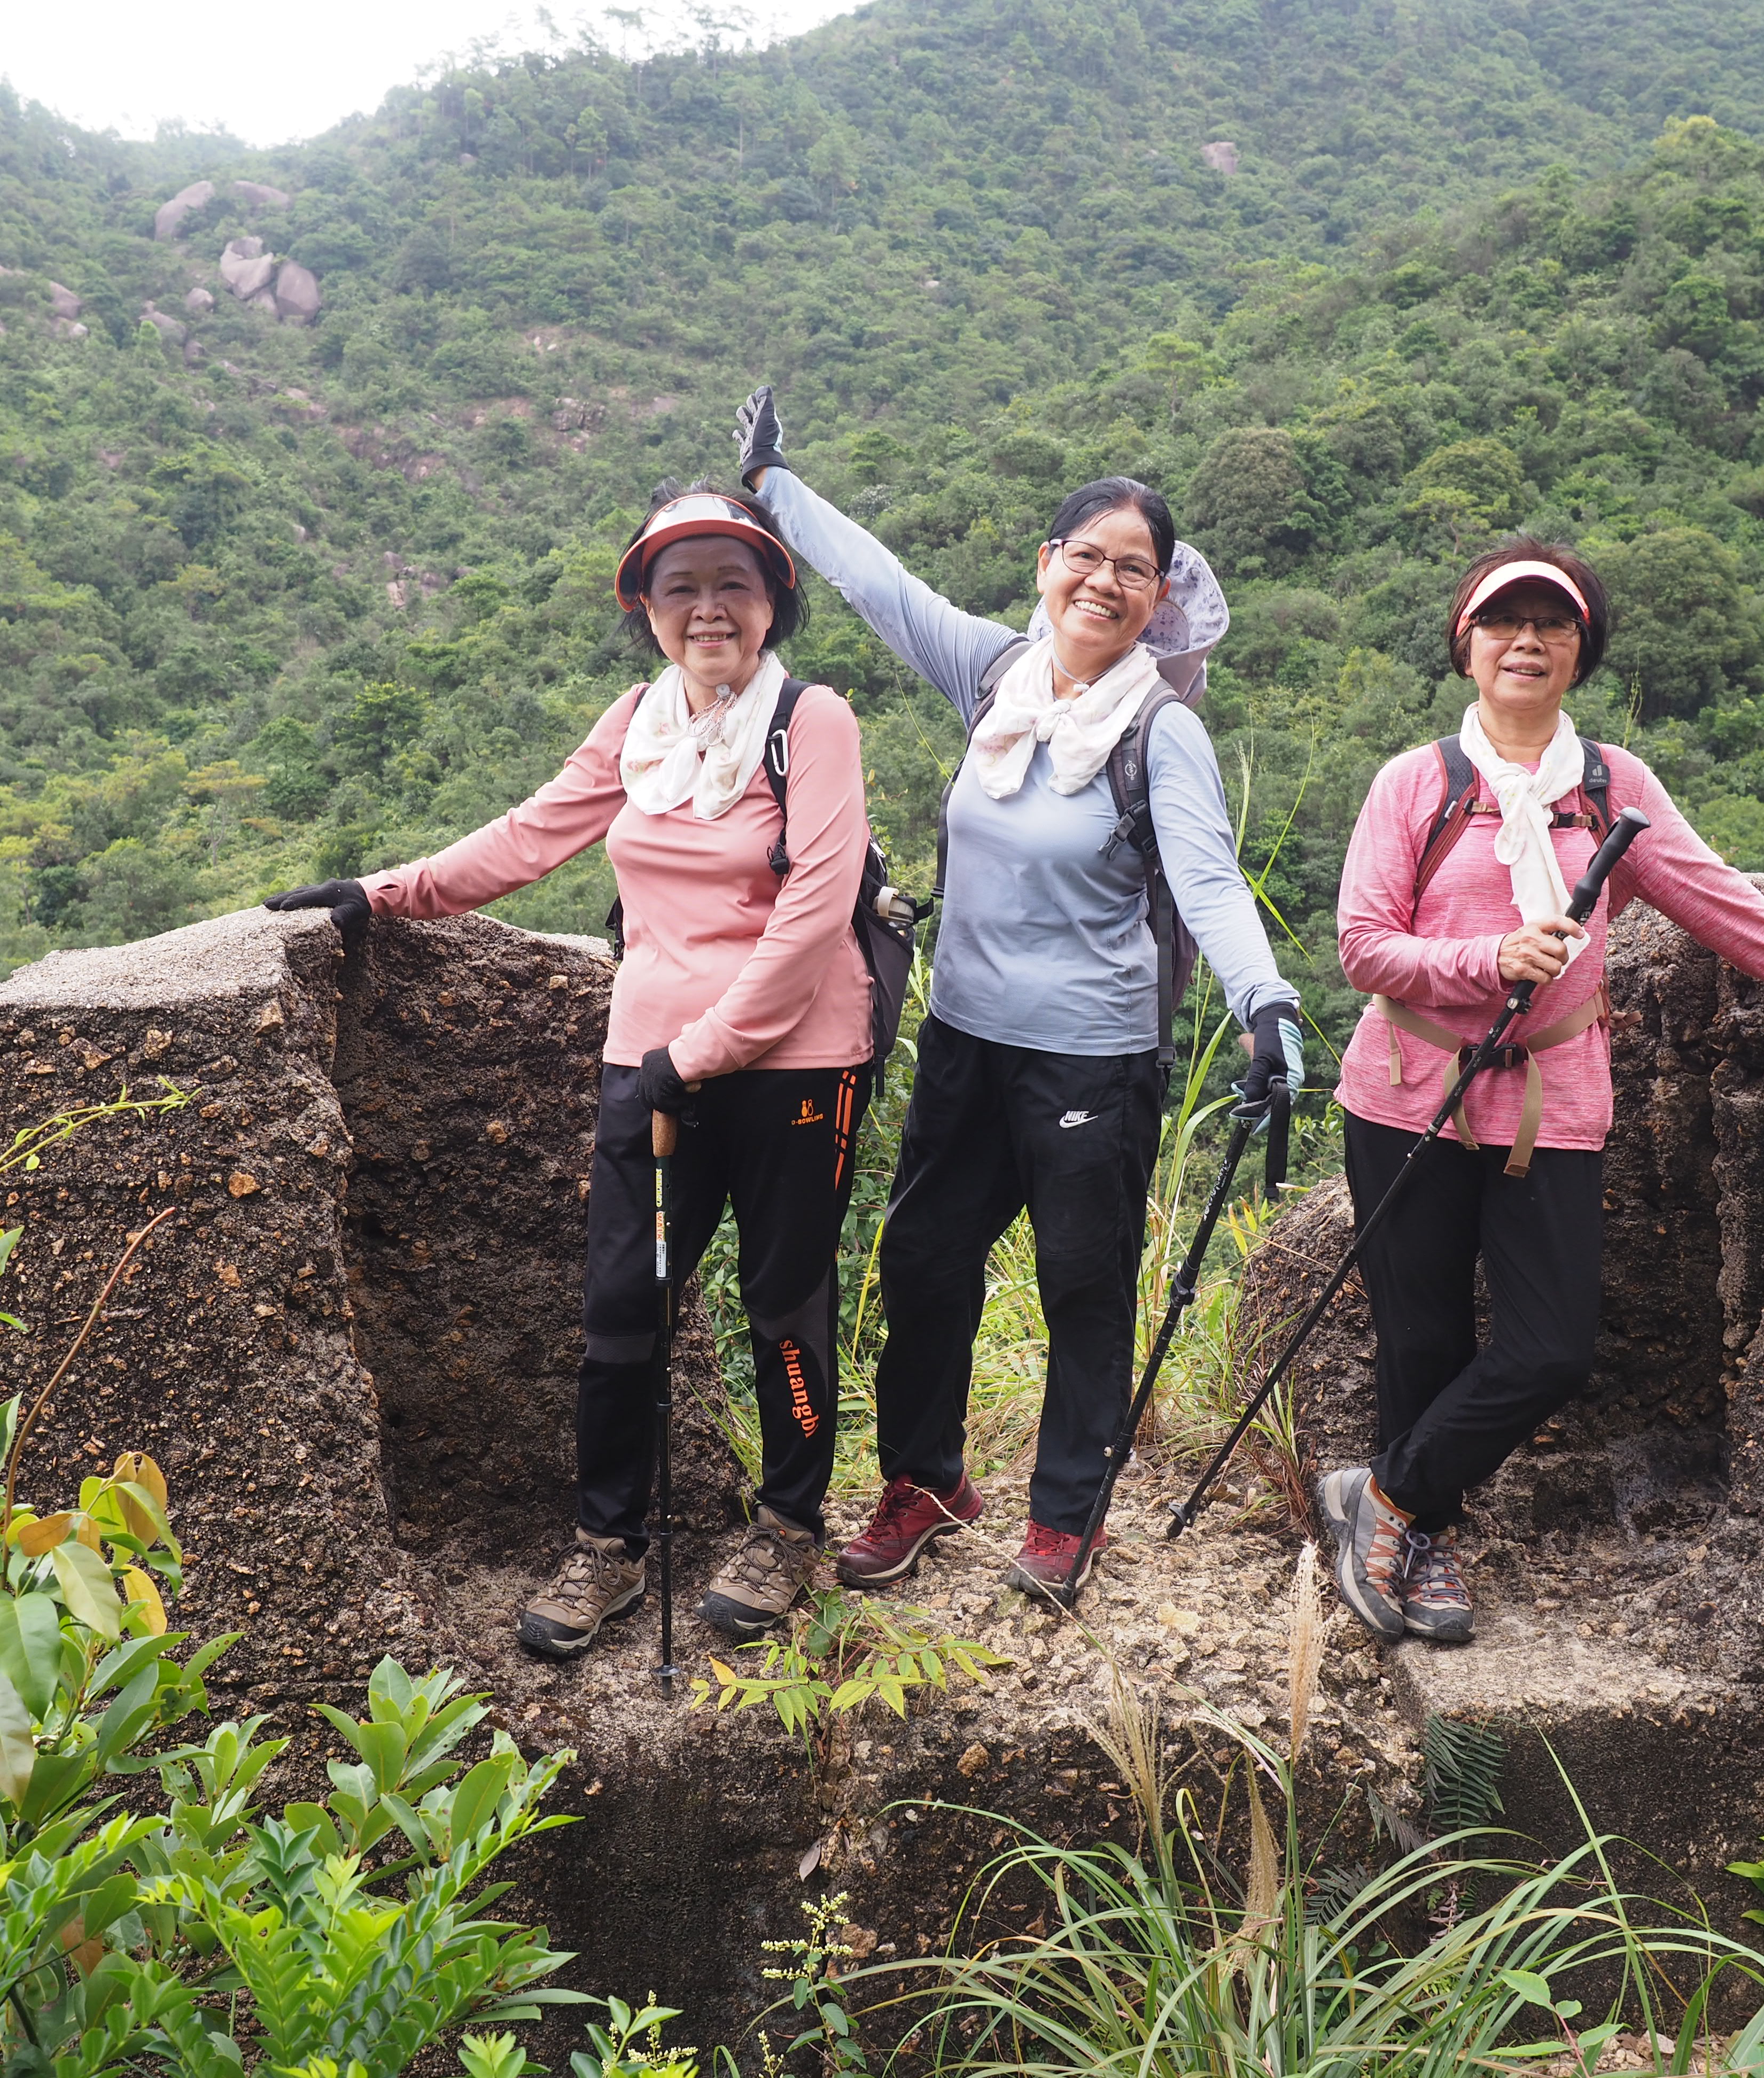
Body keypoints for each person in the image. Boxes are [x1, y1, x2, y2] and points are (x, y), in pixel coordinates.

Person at [263, 485, 877, 1661]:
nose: (709, 608)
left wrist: (699, 1054)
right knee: (620, 1307)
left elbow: (814, 910)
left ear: (774, 602)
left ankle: (789, 1528)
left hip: (795, 1062)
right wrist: (384, 893)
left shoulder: (813, 723)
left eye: (734, 583)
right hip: (651, 1064)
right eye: (680, 585)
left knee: (785, 1301)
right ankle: (607, 1542)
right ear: (646, 606)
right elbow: (533, 833)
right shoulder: (640, 723)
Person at [1318, 540, 1764, 1645]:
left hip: (1551, 1104)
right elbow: (1364, 947)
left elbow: (1718, 900)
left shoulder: (1611, 788)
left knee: (1551, 1349)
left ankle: (1380, 1497)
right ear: (1466, 646)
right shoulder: (1416, 783)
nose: (1526, 641)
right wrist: (1487, 959)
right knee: (1422, 1338)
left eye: (1552, 625)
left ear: (1582, 652)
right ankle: (1420, 1537)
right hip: (1410, 1091)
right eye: (1503, 622)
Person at [732, 385, 1304, 1601]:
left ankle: (1066, 1514)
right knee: (922, 1258)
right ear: (1047, 564)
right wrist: (775, 487)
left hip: (1093, 1057)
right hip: (965, 1040)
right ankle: (926, 1481)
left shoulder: (1162, 731)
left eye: (1134, 569)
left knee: (1081, 1283)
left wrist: (1266, 1002)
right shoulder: (998, 675)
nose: (1105, 581)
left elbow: (1207, 881)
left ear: (1160, 597)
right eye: (1087, 556)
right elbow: (882, 587)